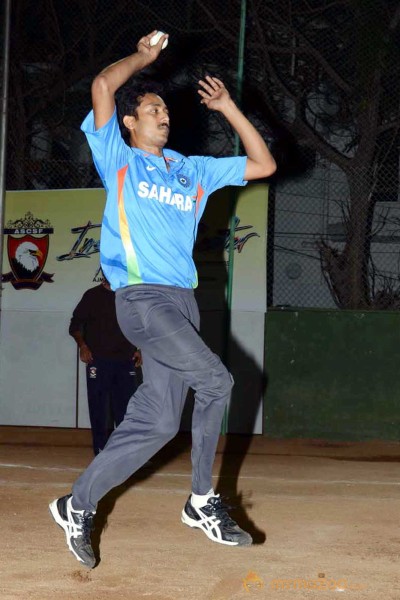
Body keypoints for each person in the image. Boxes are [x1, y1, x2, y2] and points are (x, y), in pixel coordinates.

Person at [49, 30, 276, 568]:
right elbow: (104, 84)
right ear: (130, 122)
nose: (163, 114)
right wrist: (144, 59)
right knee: (217, 380)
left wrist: (228, 108)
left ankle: (75, 504)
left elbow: (262, 165)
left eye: (165, 109)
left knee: (156, 422)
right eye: (153, 108)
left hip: (182, 304)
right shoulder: (120, 158)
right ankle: (201, 501)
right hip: (142, 299)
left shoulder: (192, 170)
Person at [69, 278, 142, 455]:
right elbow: (74, 325)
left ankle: (126, 452)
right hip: (98, 360)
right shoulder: (92, 296)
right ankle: (100, 450)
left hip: (126, 361)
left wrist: (140, 348)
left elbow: (140, 325)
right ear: (104, 276)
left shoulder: (129, 296)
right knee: (99, 408)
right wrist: (83, 346)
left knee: (126, 409)